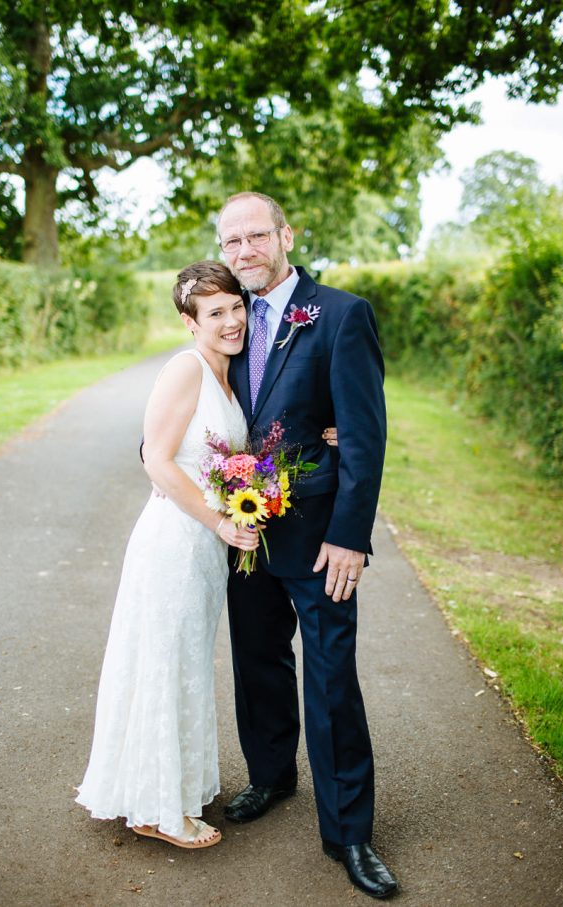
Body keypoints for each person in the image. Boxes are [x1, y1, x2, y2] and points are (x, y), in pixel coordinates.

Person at [217, 192, 396, 900]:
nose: (244, 251)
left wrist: (351, 534)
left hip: (322, 540)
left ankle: (349, 831)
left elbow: (362, 433)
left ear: (286, 234)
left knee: (330, 681)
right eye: (232, 242)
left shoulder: (341, 315)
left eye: (256, 235)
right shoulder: (224, 320)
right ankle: (270, 774)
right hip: (244, 534)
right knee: (256, 661)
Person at [76, 262, 260, 848]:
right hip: (176, 542)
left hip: (203, 548)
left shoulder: (229, 374)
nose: (232, 321)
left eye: (236, 306)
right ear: (189, 321)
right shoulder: (186, 370)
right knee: (164, 663)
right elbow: (156, 460)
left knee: (180, 662)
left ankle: (163, 786)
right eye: (215, 313)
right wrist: (220, 522)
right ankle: (157, 810)